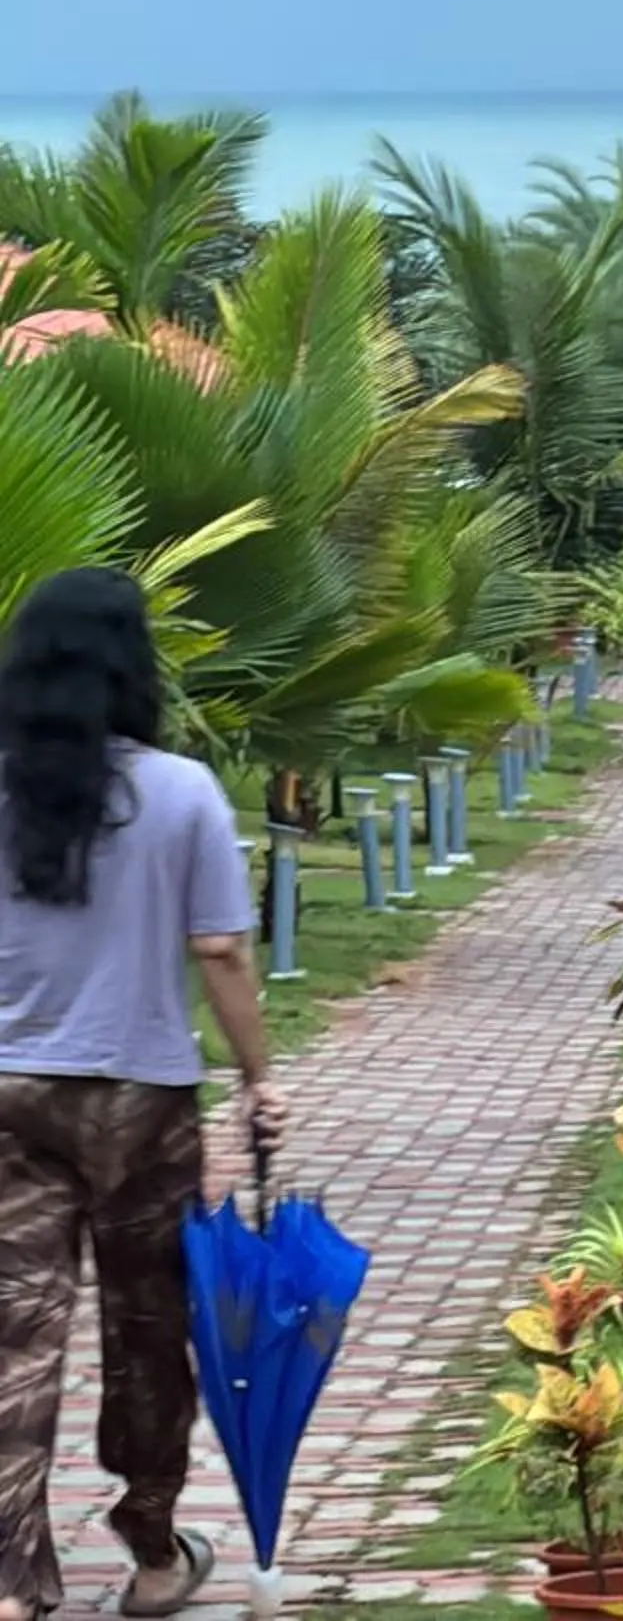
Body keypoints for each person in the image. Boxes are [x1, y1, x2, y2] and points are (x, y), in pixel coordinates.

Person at [0, 568, 286, 1621]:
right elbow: (216, 947)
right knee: (147, 1325)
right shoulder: (180, 791)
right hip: (142, 1098)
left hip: (11, 1096)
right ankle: (155, 1554)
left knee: (17, 1332)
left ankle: (12, 1581)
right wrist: (259, 1079)